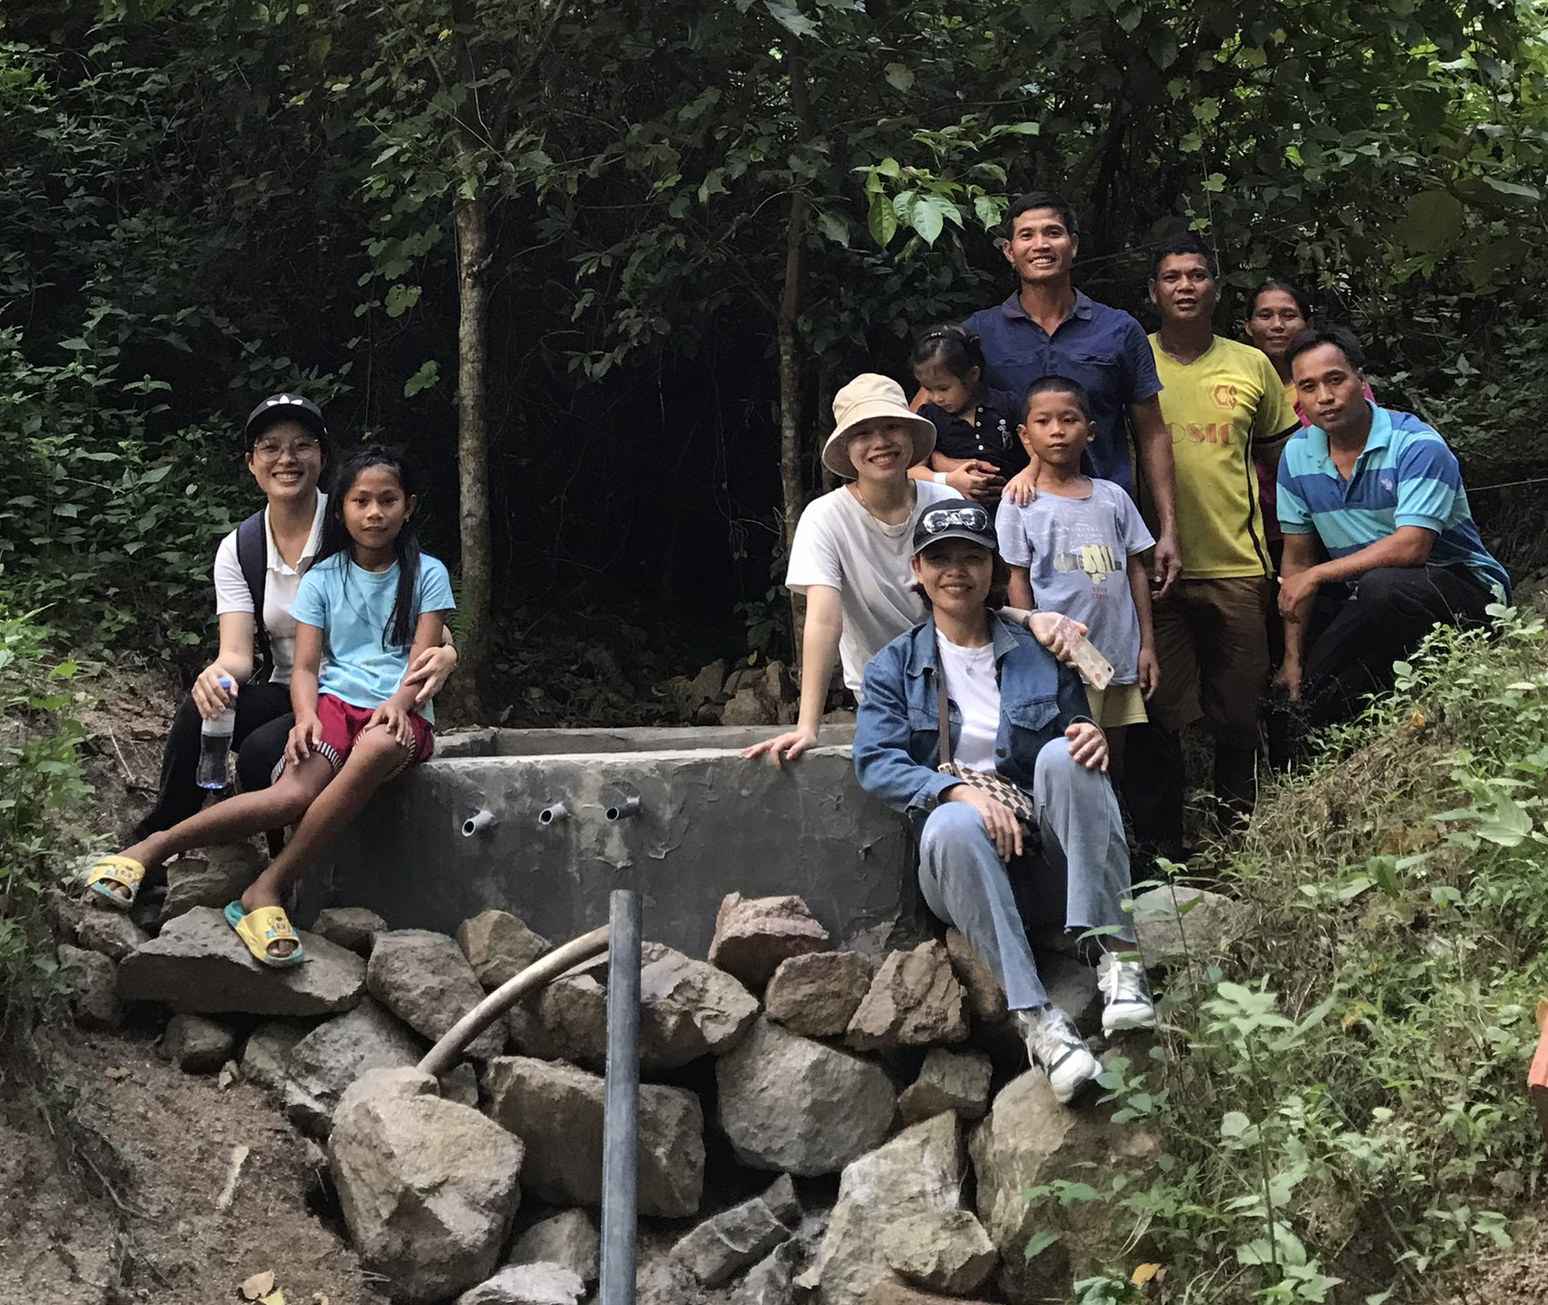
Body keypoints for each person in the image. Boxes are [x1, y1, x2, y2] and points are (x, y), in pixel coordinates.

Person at [86, 448, 456, 967]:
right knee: (289, 794)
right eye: (362, 501)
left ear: (409, 506)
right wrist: (306, 718)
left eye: (388, 500)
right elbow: (305, 667)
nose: (374, 513)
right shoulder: (323, 577)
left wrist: (400, 701)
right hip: (331, 703)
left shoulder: (428, 574)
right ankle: (151, 848)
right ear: (342, 510)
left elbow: (425, 655)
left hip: (403, 714)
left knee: (375, 747)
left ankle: (267, 887)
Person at [853, 499, 1153, 1105]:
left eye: (972, 557)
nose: (956, 571)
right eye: (940, 559)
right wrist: (957, 790)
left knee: (1064, 755)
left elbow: (1074, 726)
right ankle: (1038, 1020)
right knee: (950, 824)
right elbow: (875, 761)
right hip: (966, 868)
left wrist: (1089, 733)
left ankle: (1118, 957)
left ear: (993, 568)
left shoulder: (1039, 647)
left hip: (1046, 860)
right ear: (917, 568)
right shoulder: (894, 667)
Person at [125, 394, 457, 847]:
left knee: (263, 752)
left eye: (302, 445)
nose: (287, 459)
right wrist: (215, 675)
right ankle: (155, 838)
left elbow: (410, 609)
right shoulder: (241, 548)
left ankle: (284, 870)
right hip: (292, 685)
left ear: (322, 459)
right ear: (251, 462)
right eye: (270, 447)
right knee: (197, 714)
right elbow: (238, 655)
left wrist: (449, 653)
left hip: (349, 688)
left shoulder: (354, 519)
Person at [743, 373, 1083, 768]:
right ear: (846, 447)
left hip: (964, 669)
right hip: (888, 688)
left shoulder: (946, 500)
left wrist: (1029, 619)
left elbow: (968, 596)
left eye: (890, 427)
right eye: (863, 432)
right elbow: (823, 620)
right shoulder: (825, 517)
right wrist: (807, 725)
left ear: (909, 435)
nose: (880, 442)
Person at [1138, 237, 1300, 838]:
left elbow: (1284, 464)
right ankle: (1164, 847)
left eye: (1197, 275)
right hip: (1153, 572)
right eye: (1171, 276)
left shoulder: (1250, 364)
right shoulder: (1132, 360)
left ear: (1216, 288)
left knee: (1237, 713)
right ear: (1153, 292)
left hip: (1238, 565)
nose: (1185, 286)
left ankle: (1236, 840)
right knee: (1158, 715)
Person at [1275, 326, 1509, 729]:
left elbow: (1411, 548)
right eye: (1308, 387)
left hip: (1464, 591)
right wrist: (1292, 660)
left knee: (1383, 586)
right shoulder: (1297, 455)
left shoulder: (1416, 444)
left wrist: (1317, 575)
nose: (1324, 397)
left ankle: (1442, 676)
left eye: (1335, 379)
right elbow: (1296, 561)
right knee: (1306, 702)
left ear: (1361, 379)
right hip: (1370, 598)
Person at [964, 191, 1181, 594]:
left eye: (1053, 232)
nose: (1041, 244)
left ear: (1074, 245)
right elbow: (926, 413)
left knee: (1106, 646)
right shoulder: (980, 332)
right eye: (1026, 236)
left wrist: (1167, 529)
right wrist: (943, 476)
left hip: (1100, 530)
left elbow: (1151, 433)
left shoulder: (1119, 330)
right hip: (1008, 534)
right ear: (1010, 252)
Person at [996, 376, 1157, 774]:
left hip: (1118, 653)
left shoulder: (1113, 497)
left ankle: (1114, 829)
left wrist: (1147, 646)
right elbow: (1015, 577)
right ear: (1024, 434)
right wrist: (1033, 643)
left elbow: (1135, 569)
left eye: (1068, 420)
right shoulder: (1020, 503)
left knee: (1113, 754)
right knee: (1071, 755)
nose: (1057, 431)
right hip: (1062, 657)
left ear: (1090, 431)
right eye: (1043, 422)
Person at [1242, 280, 1374, 568]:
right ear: (1248, 326)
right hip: (1264, 529)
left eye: (1289, 315)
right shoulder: (1237, 387)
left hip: (1339, 520)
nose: (1277, 325)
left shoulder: (1340, 382)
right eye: (1265, 316)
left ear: (1307, 323)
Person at [907, 324, 1026, 504]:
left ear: (973, 374)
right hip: (953, 509)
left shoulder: (1008, 405)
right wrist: (948, 480)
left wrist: (1025, 477)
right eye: (927, 389)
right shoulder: (929, 417)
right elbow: (912, 472)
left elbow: (1038, 456)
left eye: (943, 388)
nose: (936, 398)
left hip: (1013, 504)